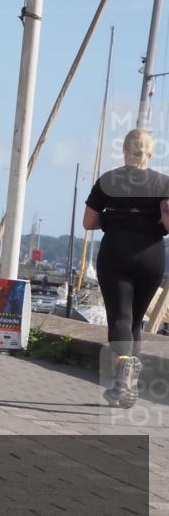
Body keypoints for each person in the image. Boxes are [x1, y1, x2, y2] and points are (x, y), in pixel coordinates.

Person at [83, 128, 169, 408]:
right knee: (134, 322)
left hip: (116, 252)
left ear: (124, 151)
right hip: (151, 255)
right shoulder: (164, 184)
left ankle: (121, 381)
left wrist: (112, 220)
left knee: (120, 317)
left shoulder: (108, 181)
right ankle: (129, 384)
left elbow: (89, 222)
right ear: (151, 153)